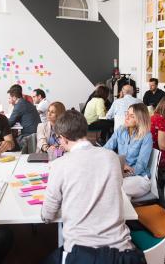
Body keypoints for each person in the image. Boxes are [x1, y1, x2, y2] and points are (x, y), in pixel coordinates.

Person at [41, 110, 145, 263]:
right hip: (121, 253)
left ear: (63, 138)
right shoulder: (112, 157)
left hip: (80, 254)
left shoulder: (59, 165)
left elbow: (47, 216)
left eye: (59, 138)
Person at [104, 103, 153, 198]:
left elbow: (141, 165)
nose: (126, 118)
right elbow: (106, 150)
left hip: (139, 178)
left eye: (131, 116)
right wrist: (120, 167)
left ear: (140, 119)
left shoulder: (146, 136)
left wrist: (126, 172)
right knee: (114, 189)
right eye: (127, 114)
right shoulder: (120, 131)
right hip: (121, 174)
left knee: (115, 188)